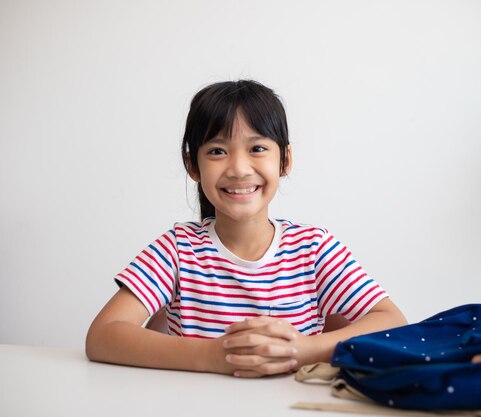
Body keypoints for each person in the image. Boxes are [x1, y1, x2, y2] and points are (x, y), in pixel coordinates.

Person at [85, 80, 407, 378]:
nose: (239, 168)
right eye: (217, 151)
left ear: (285, 160)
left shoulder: (314, 248)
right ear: (192, 166)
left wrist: (303, 350)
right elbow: (102, 335)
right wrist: (213, 356)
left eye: (257, 148)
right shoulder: (177, 248)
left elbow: (392, 321)